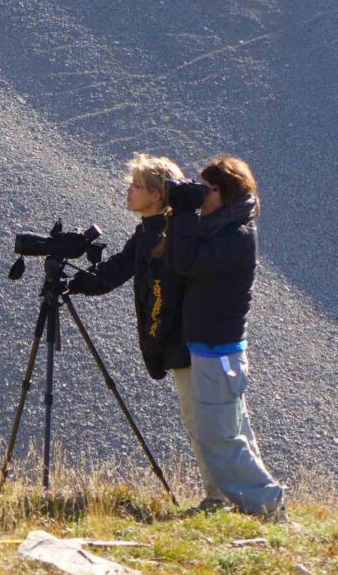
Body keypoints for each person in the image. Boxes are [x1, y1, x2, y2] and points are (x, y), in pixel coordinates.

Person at [67, 154, 227, 507]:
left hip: (190, 343)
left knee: (202, 419)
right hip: (179, 342)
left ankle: (220, 497)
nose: (128, 191)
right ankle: (222, 495)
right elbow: (116, 271)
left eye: (136, 185)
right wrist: (72, 282)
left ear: (156, 195)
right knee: (198, 418)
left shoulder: (174, 232)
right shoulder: (148, 231)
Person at [165, 155, 288, 521]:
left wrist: (185, 212)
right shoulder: (224, 227)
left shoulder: (236, 236)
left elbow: (184, 263)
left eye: (208, 190)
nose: (201, 196)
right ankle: (263, 503)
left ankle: (266, 505)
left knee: (219, 437)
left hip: (218, 353)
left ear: (227, 193)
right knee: (232, 431)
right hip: (215, 351)